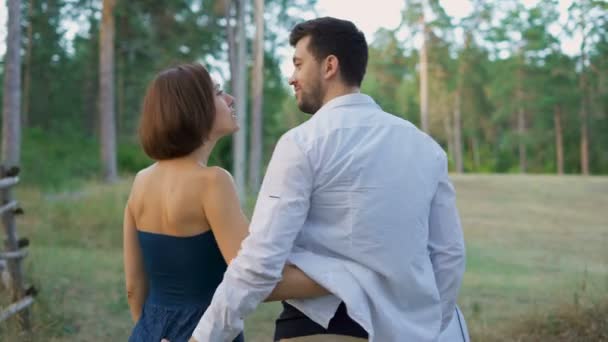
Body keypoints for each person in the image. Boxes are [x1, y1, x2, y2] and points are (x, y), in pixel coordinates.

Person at [189, 17, 466, 342]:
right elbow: (449, 255)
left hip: (321, 327)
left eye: (298, 64)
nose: (292, 78)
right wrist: (429, 323)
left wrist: (203, 338)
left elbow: (260, 260)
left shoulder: (302, 143)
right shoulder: (425, 147)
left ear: (329, 65)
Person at [123, 63, 329, 342]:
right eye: (218, 93)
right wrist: (341, 279)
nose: (230, 99)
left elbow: (134, 286)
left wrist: (147, 331)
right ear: (194, 108)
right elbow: (253, 273)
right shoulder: (212, 182)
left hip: (148, 332)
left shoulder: (141, 182)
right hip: (206, 332)